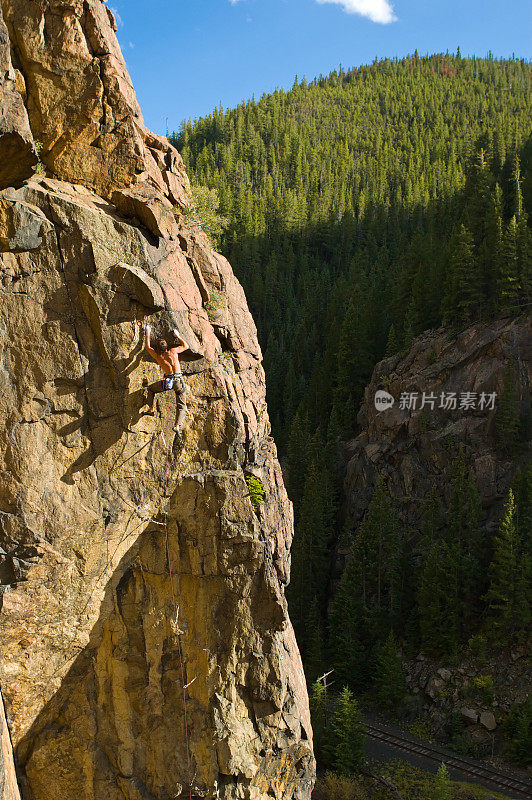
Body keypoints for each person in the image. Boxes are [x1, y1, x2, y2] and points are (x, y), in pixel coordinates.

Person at [144, 324, 189, 433]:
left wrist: (148, 332)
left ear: (158, 349)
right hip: (178, 381)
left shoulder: (158, 357)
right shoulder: (173, 352)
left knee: (151, 389)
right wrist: (177, 336)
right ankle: (177, 425)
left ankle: (151, 409)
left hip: (168, 382)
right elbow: (186, 346)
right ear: (166, 346)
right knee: (181, 405)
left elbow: (148, 347)